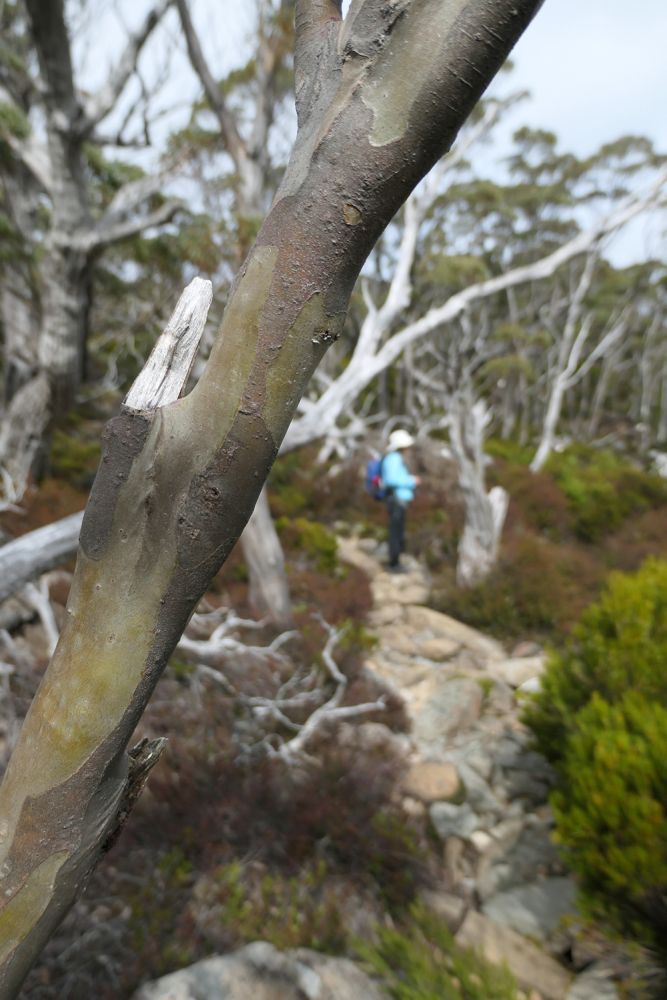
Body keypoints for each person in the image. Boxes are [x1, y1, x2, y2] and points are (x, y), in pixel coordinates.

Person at [381, 429, 420, 573]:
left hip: (398, 500)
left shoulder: (394, 458)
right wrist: (411, 480)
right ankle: (394, 563)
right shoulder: (393, 459)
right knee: (395, 532)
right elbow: (390, 480)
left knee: (398, 531)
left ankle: (396, 561)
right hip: (396, 500)